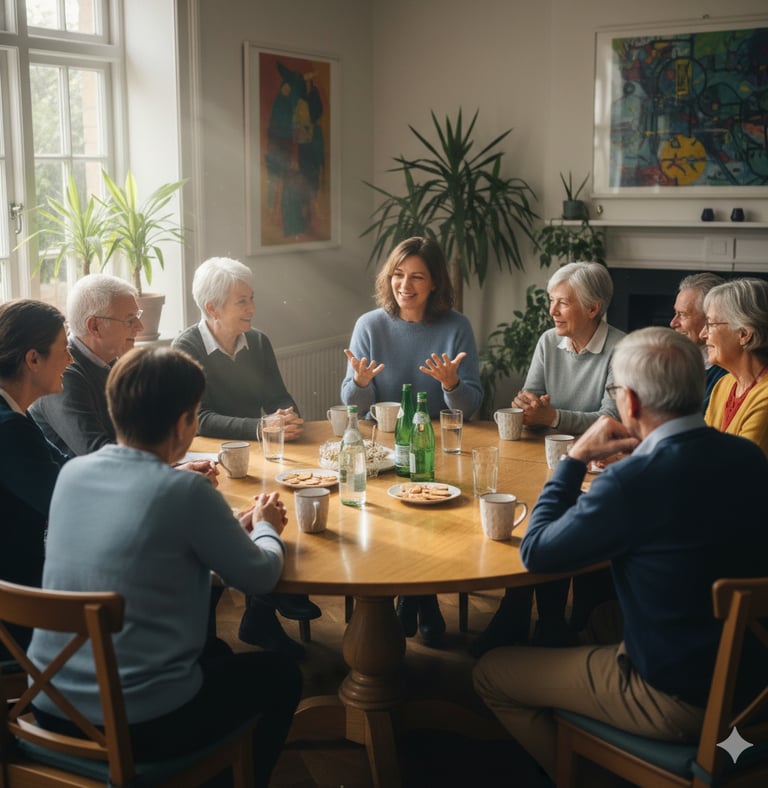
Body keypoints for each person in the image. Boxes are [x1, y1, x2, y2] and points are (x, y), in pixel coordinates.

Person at [473, 327, 768, 785]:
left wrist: (573, 459)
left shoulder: (632, 483)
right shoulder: (749, 458)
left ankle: (587, 776)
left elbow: (536, 552)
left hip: (680, 701)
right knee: (600, 619)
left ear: (627, 402)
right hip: (756, 683)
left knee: (493, 673)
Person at [28, 346, 301, 787]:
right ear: (183, 424)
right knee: (280, 675)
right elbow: (259, 576)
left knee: (218, 656)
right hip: (136, 727)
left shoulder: (73, 474)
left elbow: (153, 533)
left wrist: (232, 524)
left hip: (48, 704)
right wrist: (266, 526)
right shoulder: (185, 492)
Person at [470, 262, 623, 657]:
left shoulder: (621, 350)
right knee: (532, 509)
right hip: (543, 457)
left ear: (593, 308)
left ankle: (531, 616)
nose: (552, 311)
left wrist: (552, 416)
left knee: (550, 516)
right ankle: (532, 615)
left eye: (562, 303)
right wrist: (527, 405)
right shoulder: (546, 342)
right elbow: (529, 398)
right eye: (551, 302)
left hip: (595, 467)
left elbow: (610, 420)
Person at [341, 236, 483, 647]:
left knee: (431, 519)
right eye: (398, 275)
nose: (406, 285)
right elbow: (352, 403)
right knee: (392, 518)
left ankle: (416, 600)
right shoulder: (370, 324)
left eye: (417, 277)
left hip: (437, 446)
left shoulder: (457, 326)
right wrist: (361, 383)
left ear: (435, 282)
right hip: (383, 448)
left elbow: (471, 406)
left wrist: (452, 383)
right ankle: (419, 601)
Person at [172, 256, 314, 659]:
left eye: (251, 299)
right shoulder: (186, 347)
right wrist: (259, 426)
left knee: (293, 493)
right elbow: (198, 419)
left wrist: (286, 415)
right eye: (242, 302)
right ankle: (270, 600)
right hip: (221, 458)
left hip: (267, 452)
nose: (252, 309)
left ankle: (267, 606)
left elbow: (279, 396)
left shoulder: (260, 342)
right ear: (211, 309)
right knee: (255, 509)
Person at [0, 299, 71, 656]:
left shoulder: (15, 415)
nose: (70, 360)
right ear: (33, 359)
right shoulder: (9, 428)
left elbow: (70, 468)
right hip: (19, 612)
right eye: (64, 348)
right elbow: (69, 504)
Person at [29, 274, 143, 455]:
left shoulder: (116, 363)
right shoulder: (62, 373)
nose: (140, 327)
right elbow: (96, 453)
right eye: (130, 319)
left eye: (138, 316)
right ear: (95, 326)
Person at [702, 277, 768, 456]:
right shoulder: (723, 384)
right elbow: (701, 450)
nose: (702, 334)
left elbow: (741, 467)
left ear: (744, 334)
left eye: (710, 324)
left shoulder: (765, 396)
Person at [670, 272, 726, 411]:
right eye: (675, 313)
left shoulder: (727, 372)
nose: (673, 323)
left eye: (682, 314)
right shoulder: (675, 361)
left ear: (710, 317)